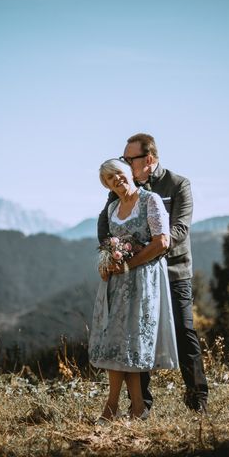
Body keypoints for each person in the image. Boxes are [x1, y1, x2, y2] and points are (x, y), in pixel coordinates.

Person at [97, 133, 209, 413]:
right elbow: (105, 222)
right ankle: (141, 404)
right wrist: (110, 253)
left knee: (184, 331)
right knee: (136, 333)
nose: (124, 163)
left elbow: (179, 230)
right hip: (135, 275)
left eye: (128, 158)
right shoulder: (122, 188)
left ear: (148, 159)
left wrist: (142, 253)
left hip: (173, 271)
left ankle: (197, 398)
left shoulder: (178, 184)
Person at [88, 158, 179, 422]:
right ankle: (136, 408)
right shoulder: (113, 208)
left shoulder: (151, 200)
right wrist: (107, 263)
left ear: (129, 172)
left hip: (144, 280)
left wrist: (129, 264)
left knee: (131, 341)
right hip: (117, 282)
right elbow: (109, 246)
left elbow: (162, 241)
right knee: (120, 342)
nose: (115, 179)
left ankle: (111, 408)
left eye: (118, 173)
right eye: (108, 179)